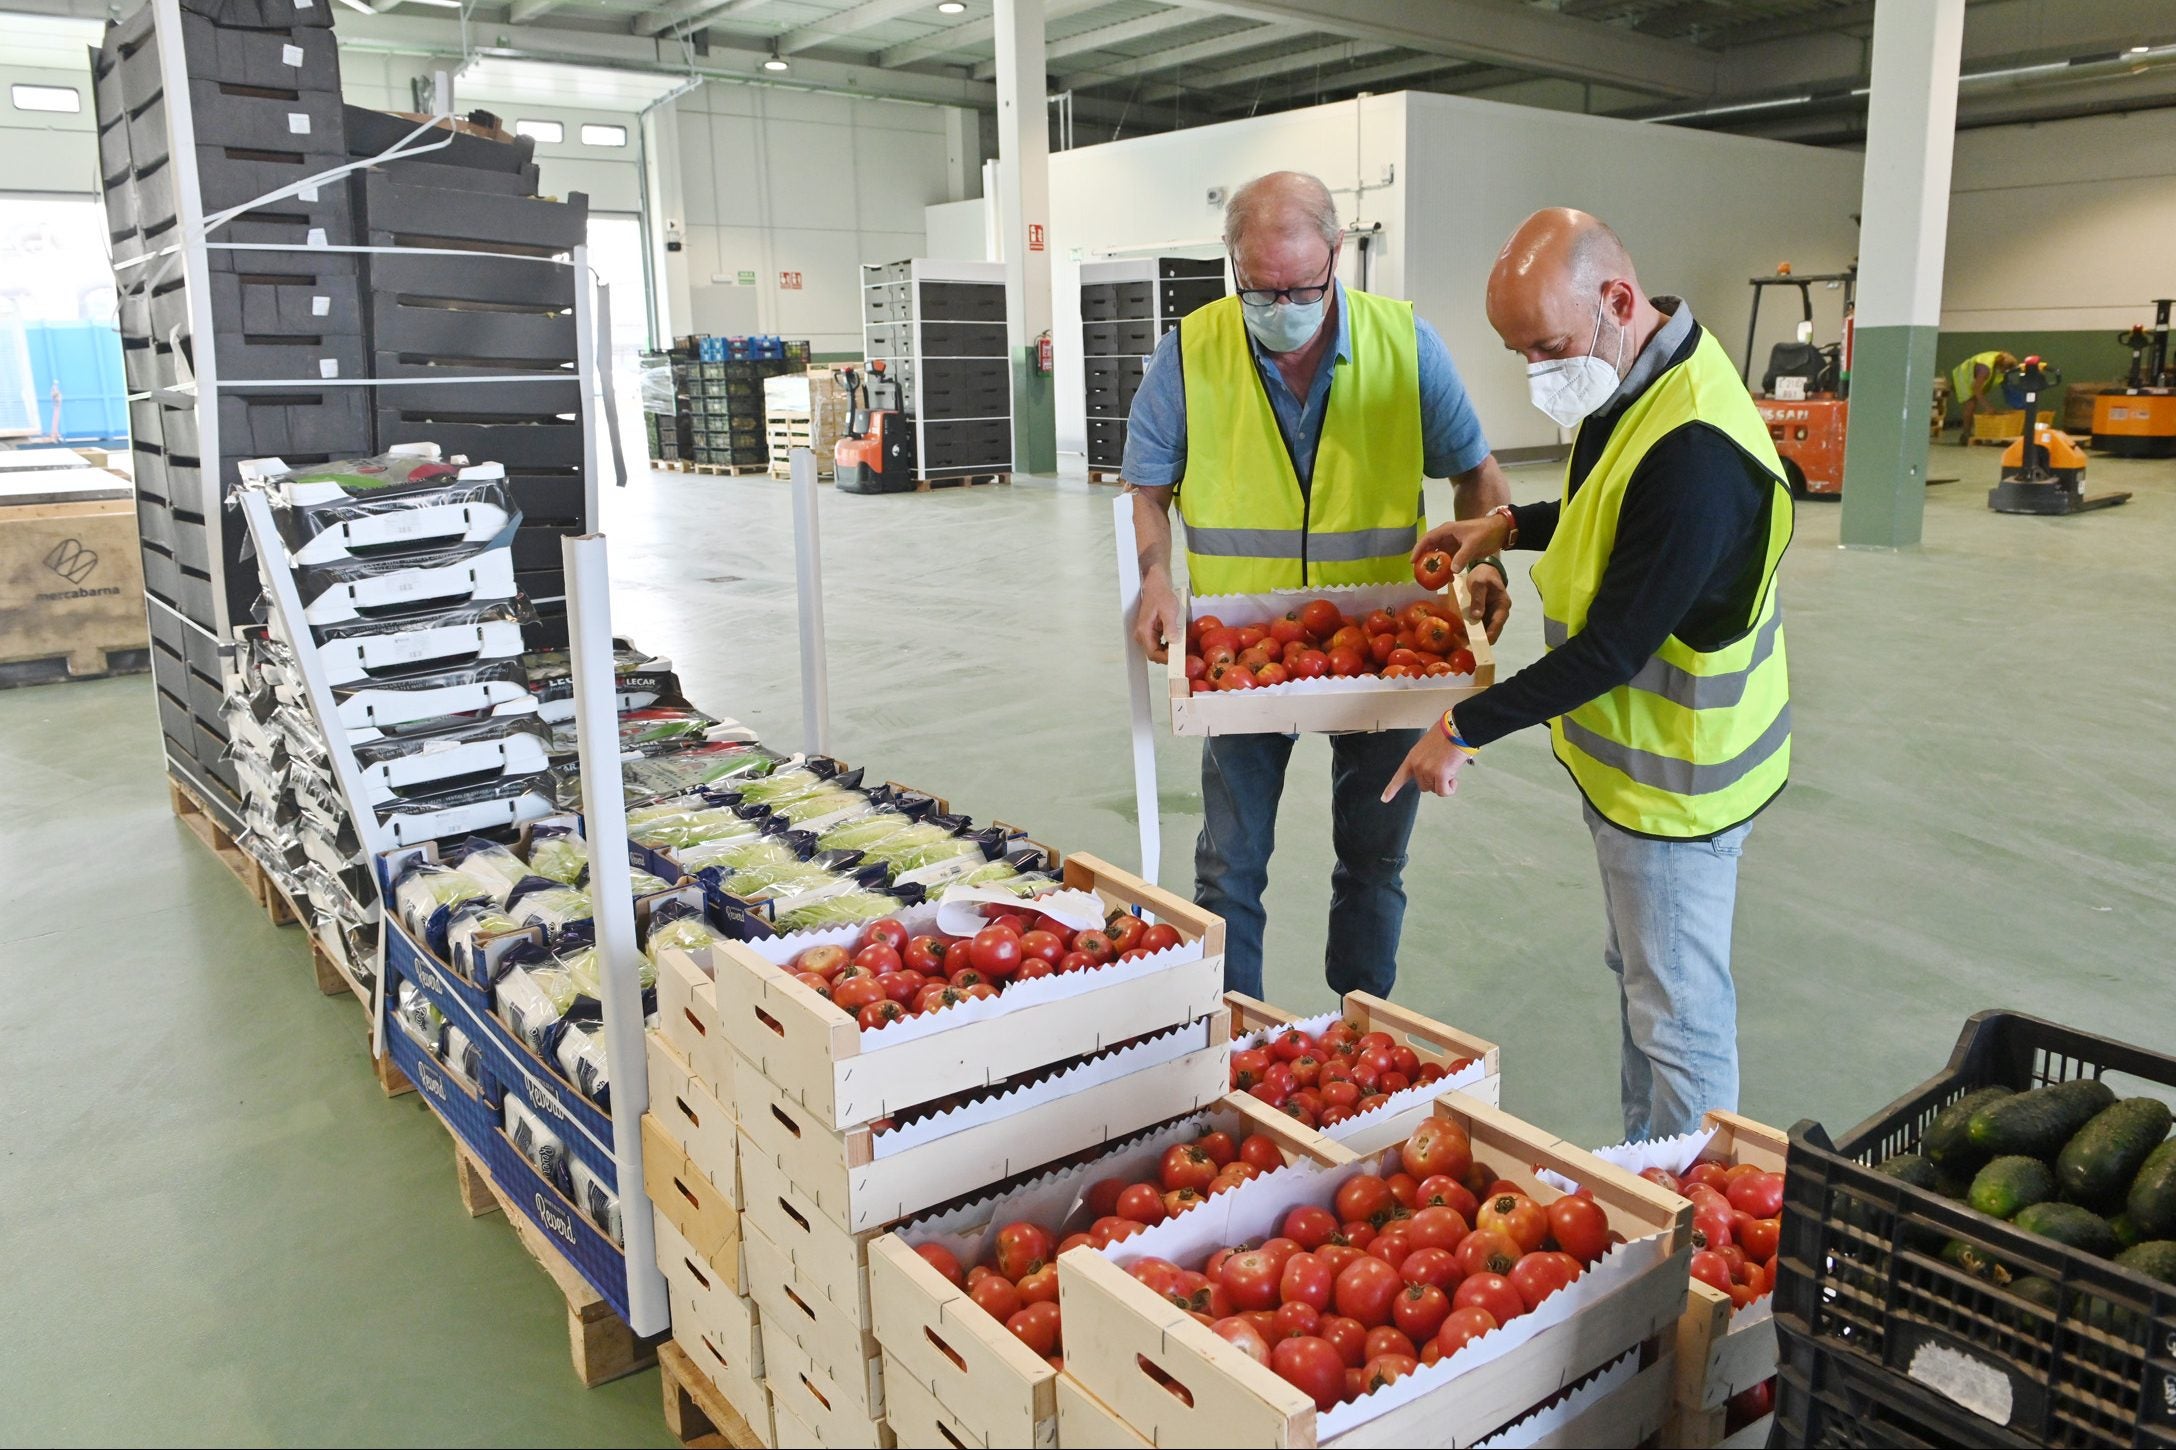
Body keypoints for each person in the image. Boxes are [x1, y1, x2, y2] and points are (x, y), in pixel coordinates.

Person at [1385, 208, 1793, 1141]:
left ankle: (1693, 1207)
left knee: (1678, 1013)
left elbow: (1612, 649)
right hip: (1633, 773)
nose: (1539, 372)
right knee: (1646, 983)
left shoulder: (1696, 453)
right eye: (1520, 353)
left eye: (1548, 346)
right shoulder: (1635, 375)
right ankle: (1648, 1162)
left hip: (1679, 782)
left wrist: (1460, 728)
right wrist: (1503, 527)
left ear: (1616, 298)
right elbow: (1603, 512)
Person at [1125, 170, 1512, 1002]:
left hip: (1384, 645)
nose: (1282, 307)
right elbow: (1148, 486)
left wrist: (1483, 562)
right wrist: (1155, 576)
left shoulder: (1404, 345)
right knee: (1230, 866)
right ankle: (1232, 1043)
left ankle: (1356, 1031)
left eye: (1302, 286)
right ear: (1232, 264)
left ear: (1338, 253)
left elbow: (1479, 475)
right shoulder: (1192, 351)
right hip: (1241, 650)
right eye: (1259, 289)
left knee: (1374, 858)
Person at [1952, 349, 2019, 437]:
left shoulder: (1999, 359)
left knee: (1974, 400)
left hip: (1973, 372)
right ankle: (1966, 433)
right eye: (2005, 370)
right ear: (2001, 366)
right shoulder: (1985, 370)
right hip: (1963, 376)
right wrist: (1988, 407)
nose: (2005, 372)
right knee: (1971, 403)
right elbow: (1976, 389)